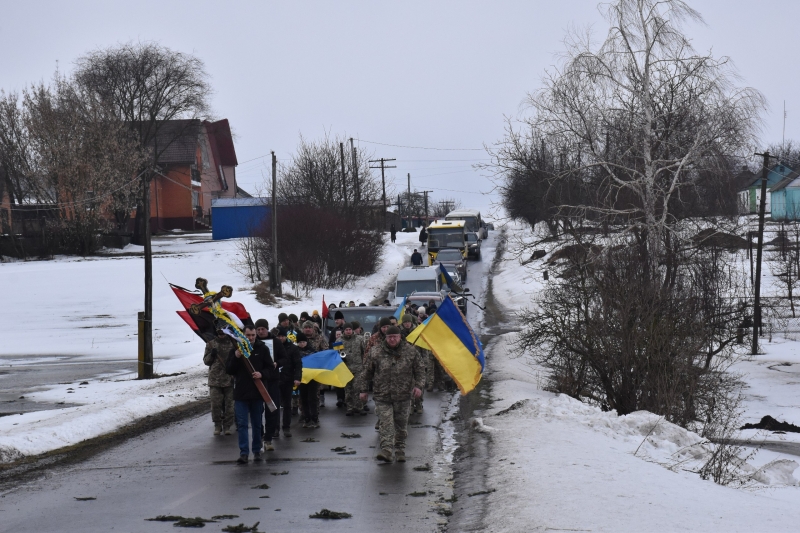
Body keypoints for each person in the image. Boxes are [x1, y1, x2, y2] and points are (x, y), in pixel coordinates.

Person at [359, 325, 424, 463]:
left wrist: (418, 386)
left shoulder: (410, 351)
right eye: (390, 337)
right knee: (386, 422)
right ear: (386, 338)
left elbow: (420, 370)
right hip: (382, 395)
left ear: (400, 337)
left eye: (395, 337)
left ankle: (400, 449)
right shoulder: (376, 352)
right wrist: (363, 390)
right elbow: (366, 372)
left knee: (401, 425)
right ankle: (387, 450)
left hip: (403, 395)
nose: (392, 339)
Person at [226, 325, 277, 464]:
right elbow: (229, 370)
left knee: (257, 424)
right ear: (243, 335)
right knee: (242, 424)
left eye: (253, 335)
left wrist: (262, 374)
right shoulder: (236, 349)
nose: (251, 338)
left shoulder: (262, 348)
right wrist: (236, 357)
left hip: (257, 392)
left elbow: (270, 368)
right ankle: (243, 453)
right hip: (241, 393)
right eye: (248, 335)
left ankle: (256, 451)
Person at [255, 319, 286, 444]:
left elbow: (284, 358)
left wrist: (277, 363)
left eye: (263, 329)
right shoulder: (253, 342)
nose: (260, 331)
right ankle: (260, 432)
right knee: (257, 409)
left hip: (272, 379)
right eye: (258, 329)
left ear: (267, 329)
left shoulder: (276, 342)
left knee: (272, 408)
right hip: (257, 380)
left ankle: (272, 432)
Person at [203, 330, 235, 435]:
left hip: (229, 379)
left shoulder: (233, 343)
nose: (221, 335)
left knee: (230, 406)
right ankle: (217, 425)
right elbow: (206, 361)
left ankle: (227, 426)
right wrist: (211, 355)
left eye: (223, 333)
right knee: (215, 405)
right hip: (215, 380)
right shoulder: (211, 344)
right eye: (219, 333)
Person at [276, 326, 302, 437]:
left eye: (282, 336)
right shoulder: (273, 347)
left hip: (288, 379)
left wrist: (297, 377)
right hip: (276, 379)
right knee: (276, 405)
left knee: (287, 405)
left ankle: (286, 427)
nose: (280, 338)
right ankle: (275, 428)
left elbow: (298, 364)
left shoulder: (293, 348)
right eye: (279, 336)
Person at [340, 323, 367, 416]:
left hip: (358, 368)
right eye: (346, 330)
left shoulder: (359, 339)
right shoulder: (339, 341)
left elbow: (364, 352)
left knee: (357, 388)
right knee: (348, 389)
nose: (348, 331)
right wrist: (341, 358)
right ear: (344, 331)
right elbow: (336, 353)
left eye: (350, 329)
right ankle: (350, 407)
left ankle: (359, 407)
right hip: (345, 369)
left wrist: (364, 364)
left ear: (352, 330)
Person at [295, 331, 319, 428]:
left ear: (306, 342)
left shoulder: (312, 351)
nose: (302, 344)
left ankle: (315, 419)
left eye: (303, 342)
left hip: (312, 379)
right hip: (301, 379)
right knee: (303, 399)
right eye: (300, 342)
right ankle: (307, 418)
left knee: (312, 399)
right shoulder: (295, 352)